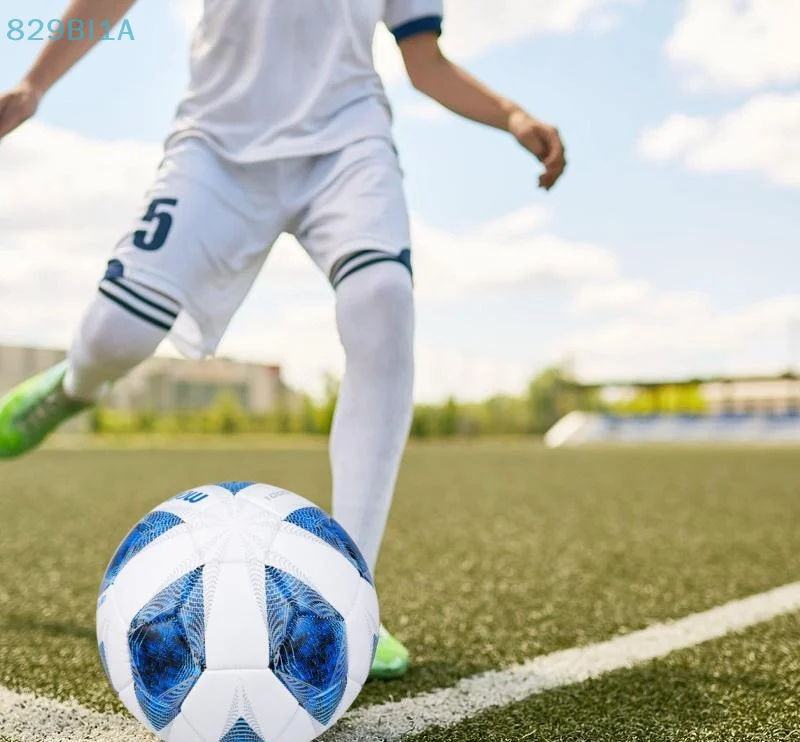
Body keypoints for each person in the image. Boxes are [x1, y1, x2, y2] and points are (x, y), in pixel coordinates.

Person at [0, 0, 566, 679]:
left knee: (383, 301)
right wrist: (35, 82)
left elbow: (426, 61)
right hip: (215, 148)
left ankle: (347, 593)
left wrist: (511, 115)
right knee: (118, 334)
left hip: (345, 147)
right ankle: (72, 387)